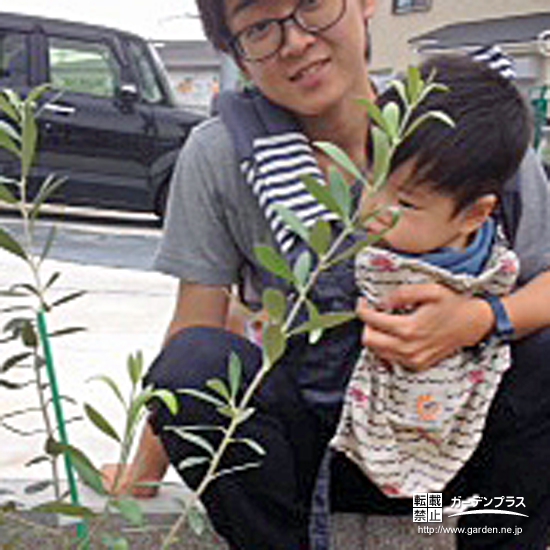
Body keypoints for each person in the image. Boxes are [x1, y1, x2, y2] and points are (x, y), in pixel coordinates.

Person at [102, 0, 550, 548]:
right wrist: (144, 473)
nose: (295, 42)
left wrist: (478, 319)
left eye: (311, 5)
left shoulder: (464, 127)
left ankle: (494, 539)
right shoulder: (220, 155)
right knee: (194, 362)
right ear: (234, 53)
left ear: (365, 4)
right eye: (259, 27)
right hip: (313, 470)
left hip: (448, 472)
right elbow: (196, 326)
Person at [331, 54, 530, 498]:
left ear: (475, 215)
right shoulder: (358, 256)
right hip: (351, 450)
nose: (372, 211)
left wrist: (478, 320)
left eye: (405, 202)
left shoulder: (494, 257)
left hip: (455, 453)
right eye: (370, 177)